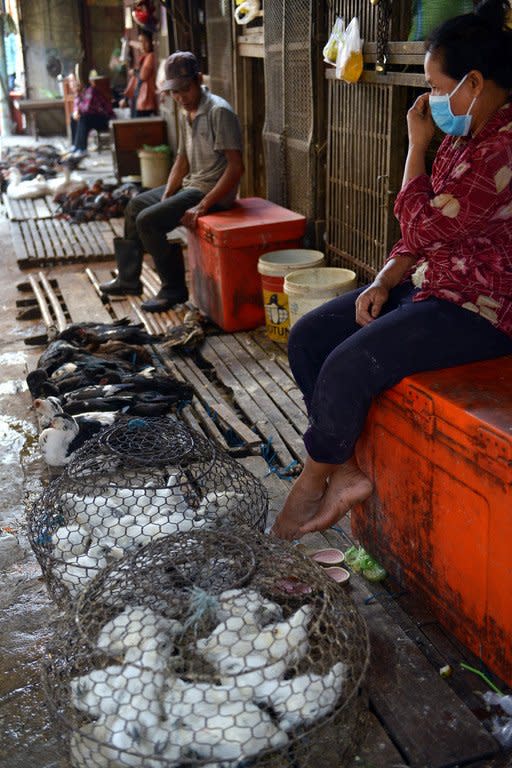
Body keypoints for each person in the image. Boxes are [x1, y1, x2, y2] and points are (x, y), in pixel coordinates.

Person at [271, 0, 512, 541]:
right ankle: (347, 467)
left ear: (472, 82)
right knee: (310, 337)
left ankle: (311, 488)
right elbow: (420, 236)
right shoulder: (466, 136)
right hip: (431, 284)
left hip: (483, 307)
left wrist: (415, 146)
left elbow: (425, 225)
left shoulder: (503, 151)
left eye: (435, 86)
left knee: (348, 365)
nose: (429, 101)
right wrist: (385, 277)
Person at [100, 50, 244, 313]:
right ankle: (128, 280)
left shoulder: (218, 112)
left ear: (199, 79)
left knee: (149, 221)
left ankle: (173, 289)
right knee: (135, 207)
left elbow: (236, 168)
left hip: (213, 192)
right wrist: (167, 193)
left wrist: (203, 205)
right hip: (192, 186)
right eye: (174, 92)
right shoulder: (184, 110)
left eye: (185, 90)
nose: (180, 98)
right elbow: (182, 158)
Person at [69, 75, 114, 157]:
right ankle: (75, 145)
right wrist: (76, 112)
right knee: (73, 116)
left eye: (73, 81)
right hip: (92, 118)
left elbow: (86, 108)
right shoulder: (79, 92)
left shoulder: (91, 90)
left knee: (84, 118)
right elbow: (76, 107)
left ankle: (82, 149)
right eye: (70, 81)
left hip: (106, 119)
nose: (71, 84)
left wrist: (77, 111)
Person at [121, 30, 157, 118]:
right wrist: (126, 97)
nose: (143, 45)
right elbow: (134, 81)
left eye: (146, 41)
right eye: (141, 42)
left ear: (151, 42)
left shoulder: (151, 56)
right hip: (138, 99)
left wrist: (134, 72)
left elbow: (143, 76)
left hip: (145, 100)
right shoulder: (143, 58)